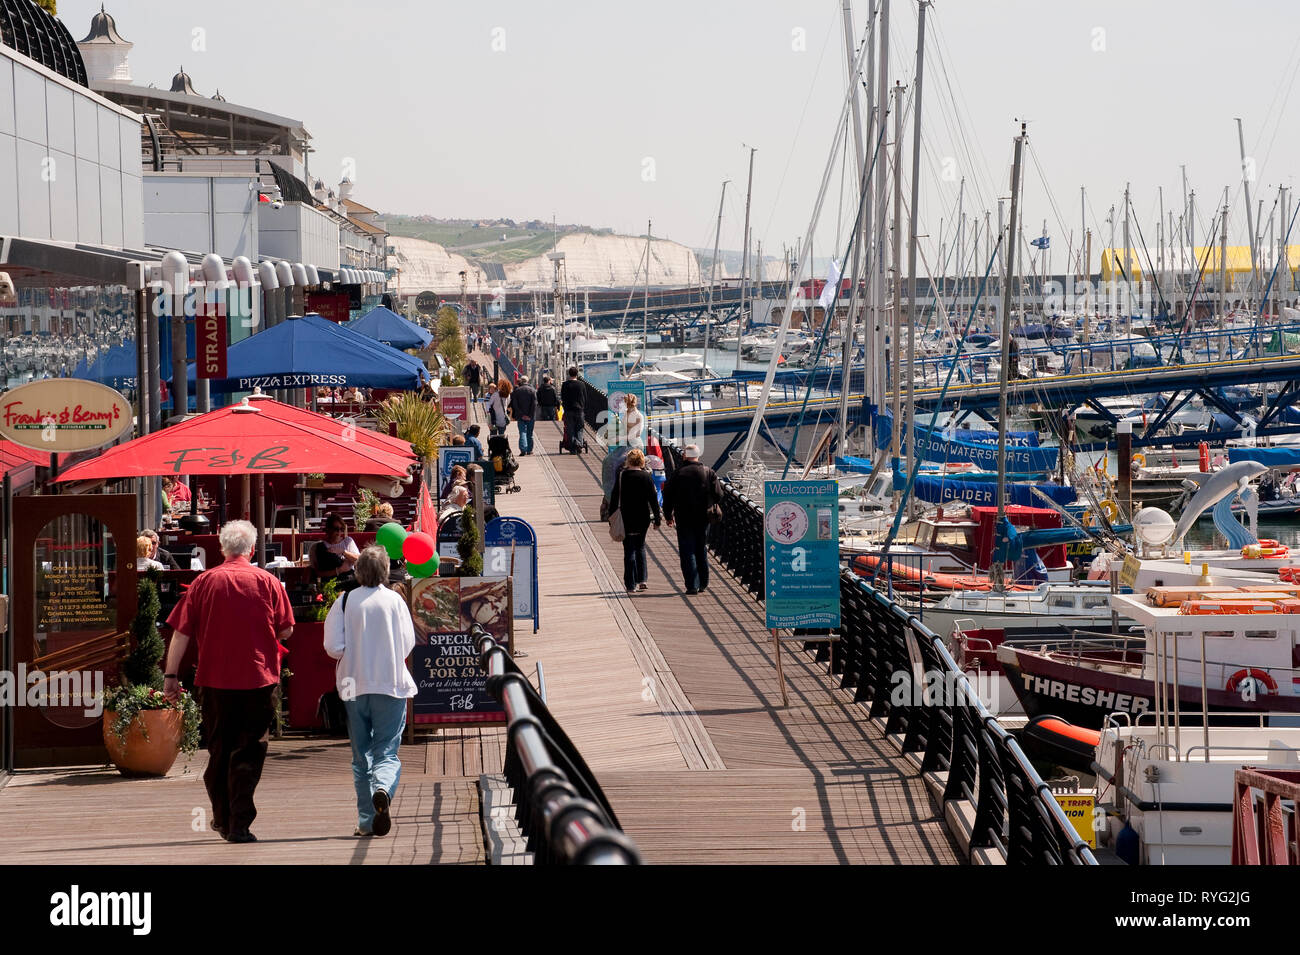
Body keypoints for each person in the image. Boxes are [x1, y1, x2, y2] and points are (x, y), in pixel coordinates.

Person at [163, 519, 294, 843]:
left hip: (214, 681)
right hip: (257, 679)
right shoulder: (268, 582)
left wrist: (170, 676)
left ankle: (222, 816)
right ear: (251, 549)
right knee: (249, 750)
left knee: (219, 750)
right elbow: (287, 629)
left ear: (222, 548)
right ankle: (238, 823)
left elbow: (180, 633)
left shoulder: (203, 583)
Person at [323, 545, 417, 837]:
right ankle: (383, 788)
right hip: (389, 683)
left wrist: (353, 651)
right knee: (387, 751)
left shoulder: (345, 600)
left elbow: (332, 647)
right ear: (386, 571)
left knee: (360, 755)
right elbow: (407, 643)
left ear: (357, 570)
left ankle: (366, 821)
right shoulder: (395, 601)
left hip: (354, 684)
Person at [662, 444, 723, 595]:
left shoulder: (678, 474)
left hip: (683, 517)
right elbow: (719, 495)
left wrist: (668, 516)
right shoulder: (708, 472)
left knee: (687, 550)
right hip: (704, 517)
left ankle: (692, 585)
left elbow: (667, 497)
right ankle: (703, 583)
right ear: (698, 455)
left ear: (685, 455)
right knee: (701, 548)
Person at [608, 449, 660, 594]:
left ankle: (631, 585)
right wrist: (657, 518)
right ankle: (642, 579)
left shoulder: (622, 476)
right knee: (640, 547)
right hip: (643, 518)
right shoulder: (646, 476)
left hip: (626, 517)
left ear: (628, 461)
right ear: (642, 461)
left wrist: (611, 517)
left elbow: (614, 497)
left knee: (629, 549)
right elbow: (653, 500)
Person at [311, 513, 360, 581]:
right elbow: (318, 573)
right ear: (328, 529)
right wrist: (339, 570)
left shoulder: (348, 541)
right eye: (336, 529)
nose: (339, 532)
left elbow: (360, 561)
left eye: (341, 529)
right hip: (331, 583)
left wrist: (344, 552)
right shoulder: (319, 547)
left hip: (350, 581)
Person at [510, 374, 538, 455]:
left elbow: (515, 404)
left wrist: (521, 414)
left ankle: (523, 448)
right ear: (527, 381)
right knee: (530, 433)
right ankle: (529, 450)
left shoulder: (517, 391)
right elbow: (534, 404)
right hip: (530, 416)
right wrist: (529, 415)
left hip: (520, 415)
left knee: (522, 432)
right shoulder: (532, 390)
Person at [560, 366, 585, 452]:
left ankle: (572, 445)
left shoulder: (565, 384)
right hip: (579, 409)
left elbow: (562, 397)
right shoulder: (581, 384)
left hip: (568, 410)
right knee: (579, 428)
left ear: (569, 374)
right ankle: (579, 444)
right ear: (577, 374)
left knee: (570, 428)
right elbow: (585, 396)